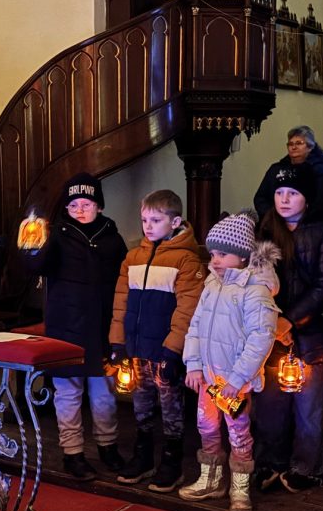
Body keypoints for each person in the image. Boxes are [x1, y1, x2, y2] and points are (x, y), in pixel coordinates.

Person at [22, 173, 128, 481]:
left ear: (99, 206)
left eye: (87, 204)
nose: (80, 210)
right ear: (66, 209)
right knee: (68, 392)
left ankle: (108, 446)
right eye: (73, 205)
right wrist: (31, 246)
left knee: (104, 393)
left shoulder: (112, 237)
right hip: (66, 327)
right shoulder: (56, 235)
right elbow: (35, 266)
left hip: (102, 327)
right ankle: (73, 453)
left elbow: (123, 279)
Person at [179, 210, 280, 511]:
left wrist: (237, 379)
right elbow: (196, 326)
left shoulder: (255, 290)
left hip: (235, 382)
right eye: (213, 254)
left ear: (243, 255)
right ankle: (211, 479)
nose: (216, 260)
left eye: (223, 254)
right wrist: (193, 364)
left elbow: (261, 338)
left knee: (238, 431)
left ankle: (240, 486)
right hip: (208, 378)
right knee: (206, 425)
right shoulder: (212, 285)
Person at [252, 163, 323, 494]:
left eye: (292, 193)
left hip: (309, 330)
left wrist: (291, 319)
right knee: (270, 405)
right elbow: (255, 281)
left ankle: (308, 466)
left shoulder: (322, 231)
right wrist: (274, 320)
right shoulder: (264, 230)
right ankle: (270, 461)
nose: (285, 199)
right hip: (271, 331)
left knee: (308, 406)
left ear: (307, 198)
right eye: (279, 193)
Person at [109, 189, 206, 492]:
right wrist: (118, 342)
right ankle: (143, 457)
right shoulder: (133, 257)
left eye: (155, 220)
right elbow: (121, 303)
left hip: (164, 350)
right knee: (141, 404)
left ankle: (171, 461)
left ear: (175, 222)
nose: (148, 226)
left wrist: (173, 349)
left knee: (170, 406)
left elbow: (187, 309)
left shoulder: (186, 260)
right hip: (138, 349)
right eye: (144, 220)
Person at [253, 126, 323, 222]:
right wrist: (275, 217)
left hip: (308, 223)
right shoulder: (276, 169)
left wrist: (295, 219)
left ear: (310, 147)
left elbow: (321, 203)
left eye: (299, 143)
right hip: (274, 221)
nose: (294, 147)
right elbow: (260, 198)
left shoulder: (319, 170)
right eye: (290, 144)